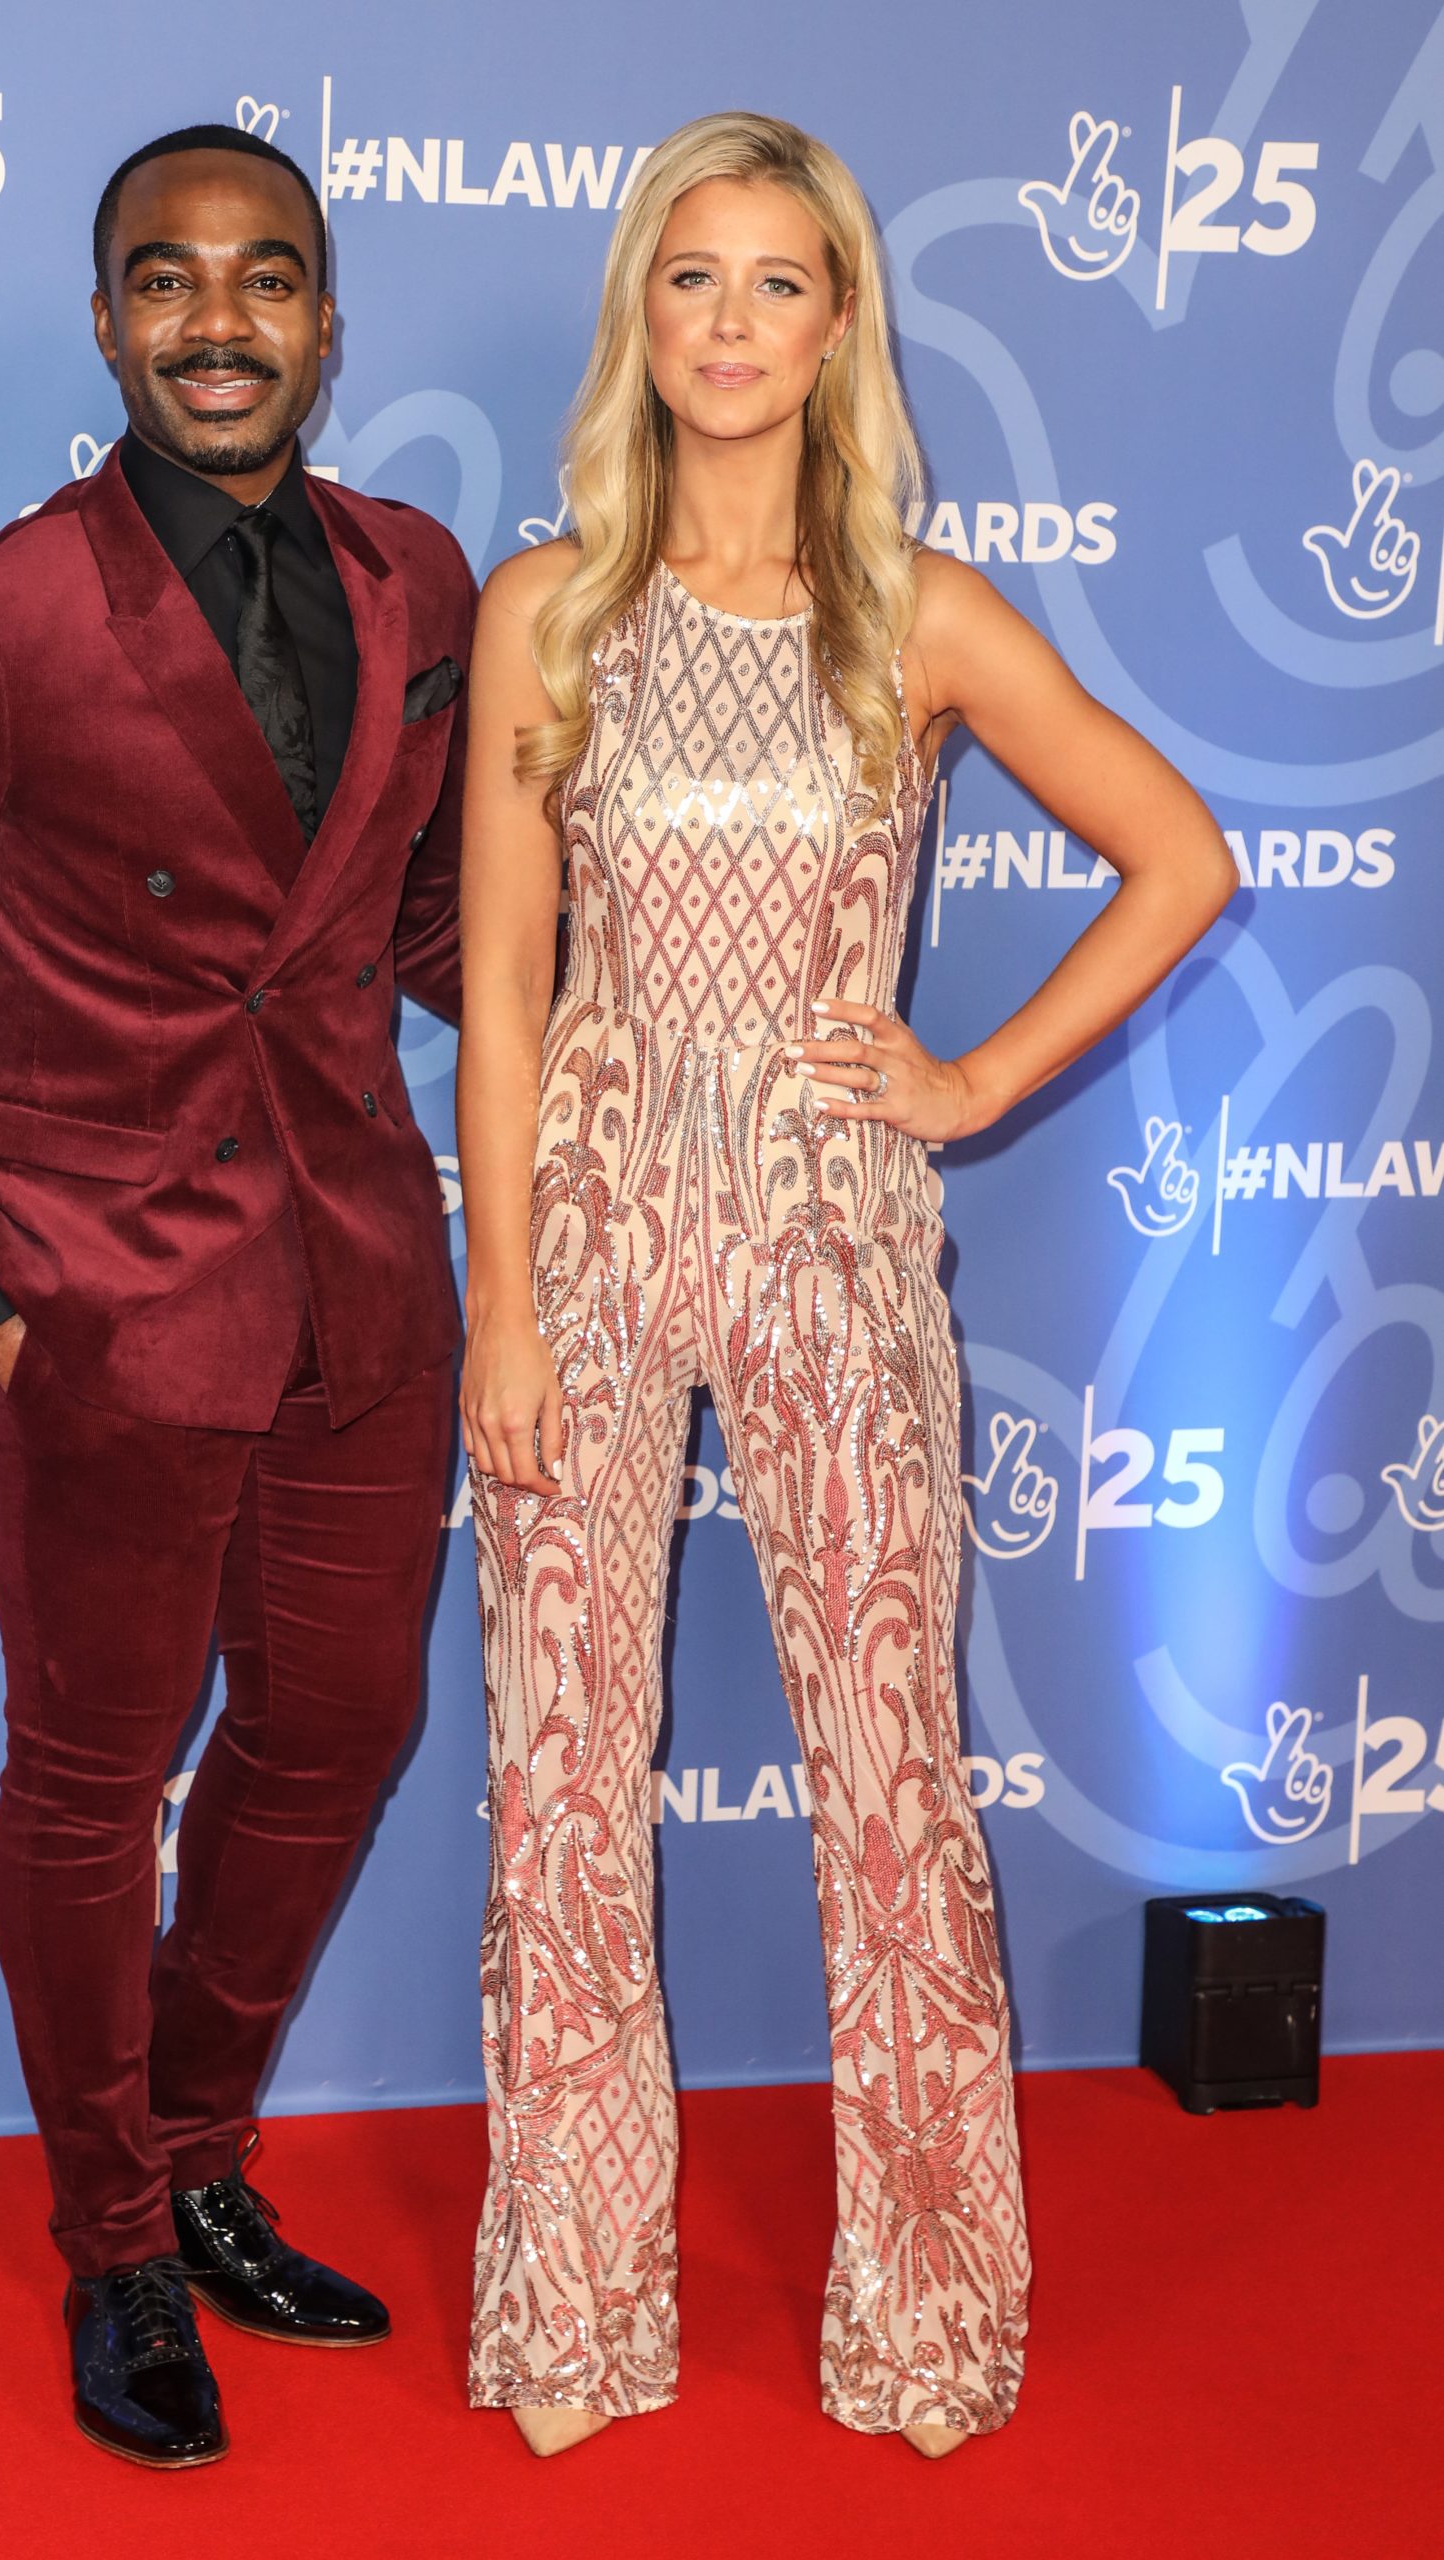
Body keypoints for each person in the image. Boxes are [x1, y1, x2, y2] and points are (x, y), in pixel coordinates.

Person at [456, 112, 1235, 2462]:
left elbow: (1178, 854)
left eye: (773, 281)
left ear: (837, 322)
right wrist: (499, 1302)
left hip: (826, 1233)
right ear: (639, 315)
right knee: (559, 1786)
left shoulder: (924, 607)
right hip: (584, 1234)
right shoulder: (546, 606)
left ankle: (925, 2315)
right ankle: (578, 2314)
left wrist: (970, 1072)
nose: (723, 322)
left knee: (893, 1793)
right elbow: (498, 988)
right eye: (686, 277)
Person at [0, 122, 473, 2472]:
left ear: (325, 319)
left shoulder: (418, 581)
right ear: (104, 322)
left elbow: (440, 936)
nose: (218, 321)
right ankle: (117, 2243)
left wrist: (691, 1002)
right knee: (91, 1784)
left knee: (338, 1727)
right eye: (166, 281)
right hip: (98, 1306)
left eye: (265, 279)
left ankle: (192, 2148)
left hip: (365, 1289)